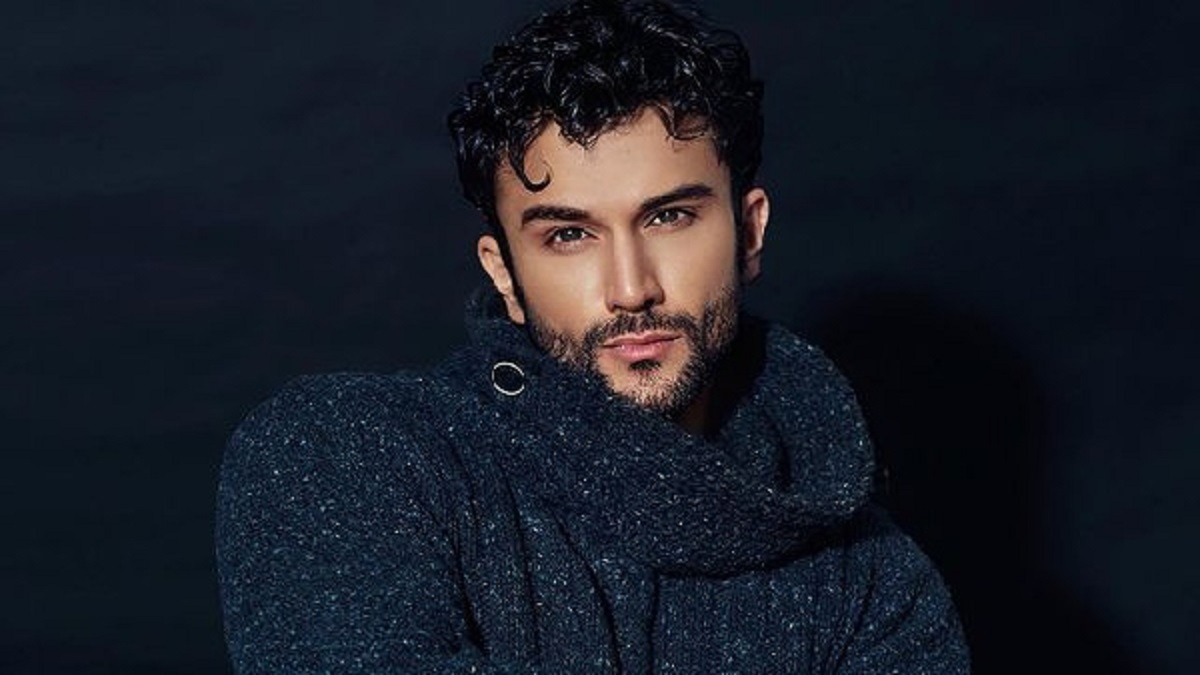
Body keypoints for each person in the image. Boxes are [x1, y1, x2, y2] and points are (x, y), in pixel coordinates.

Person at [216, 0, 969, 672]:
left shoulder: (874, 585)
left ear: (748, 232)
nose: (631, 287)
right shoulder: (350, 456)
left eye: (669, 217)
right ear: (505, 272)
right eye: (570, 234)